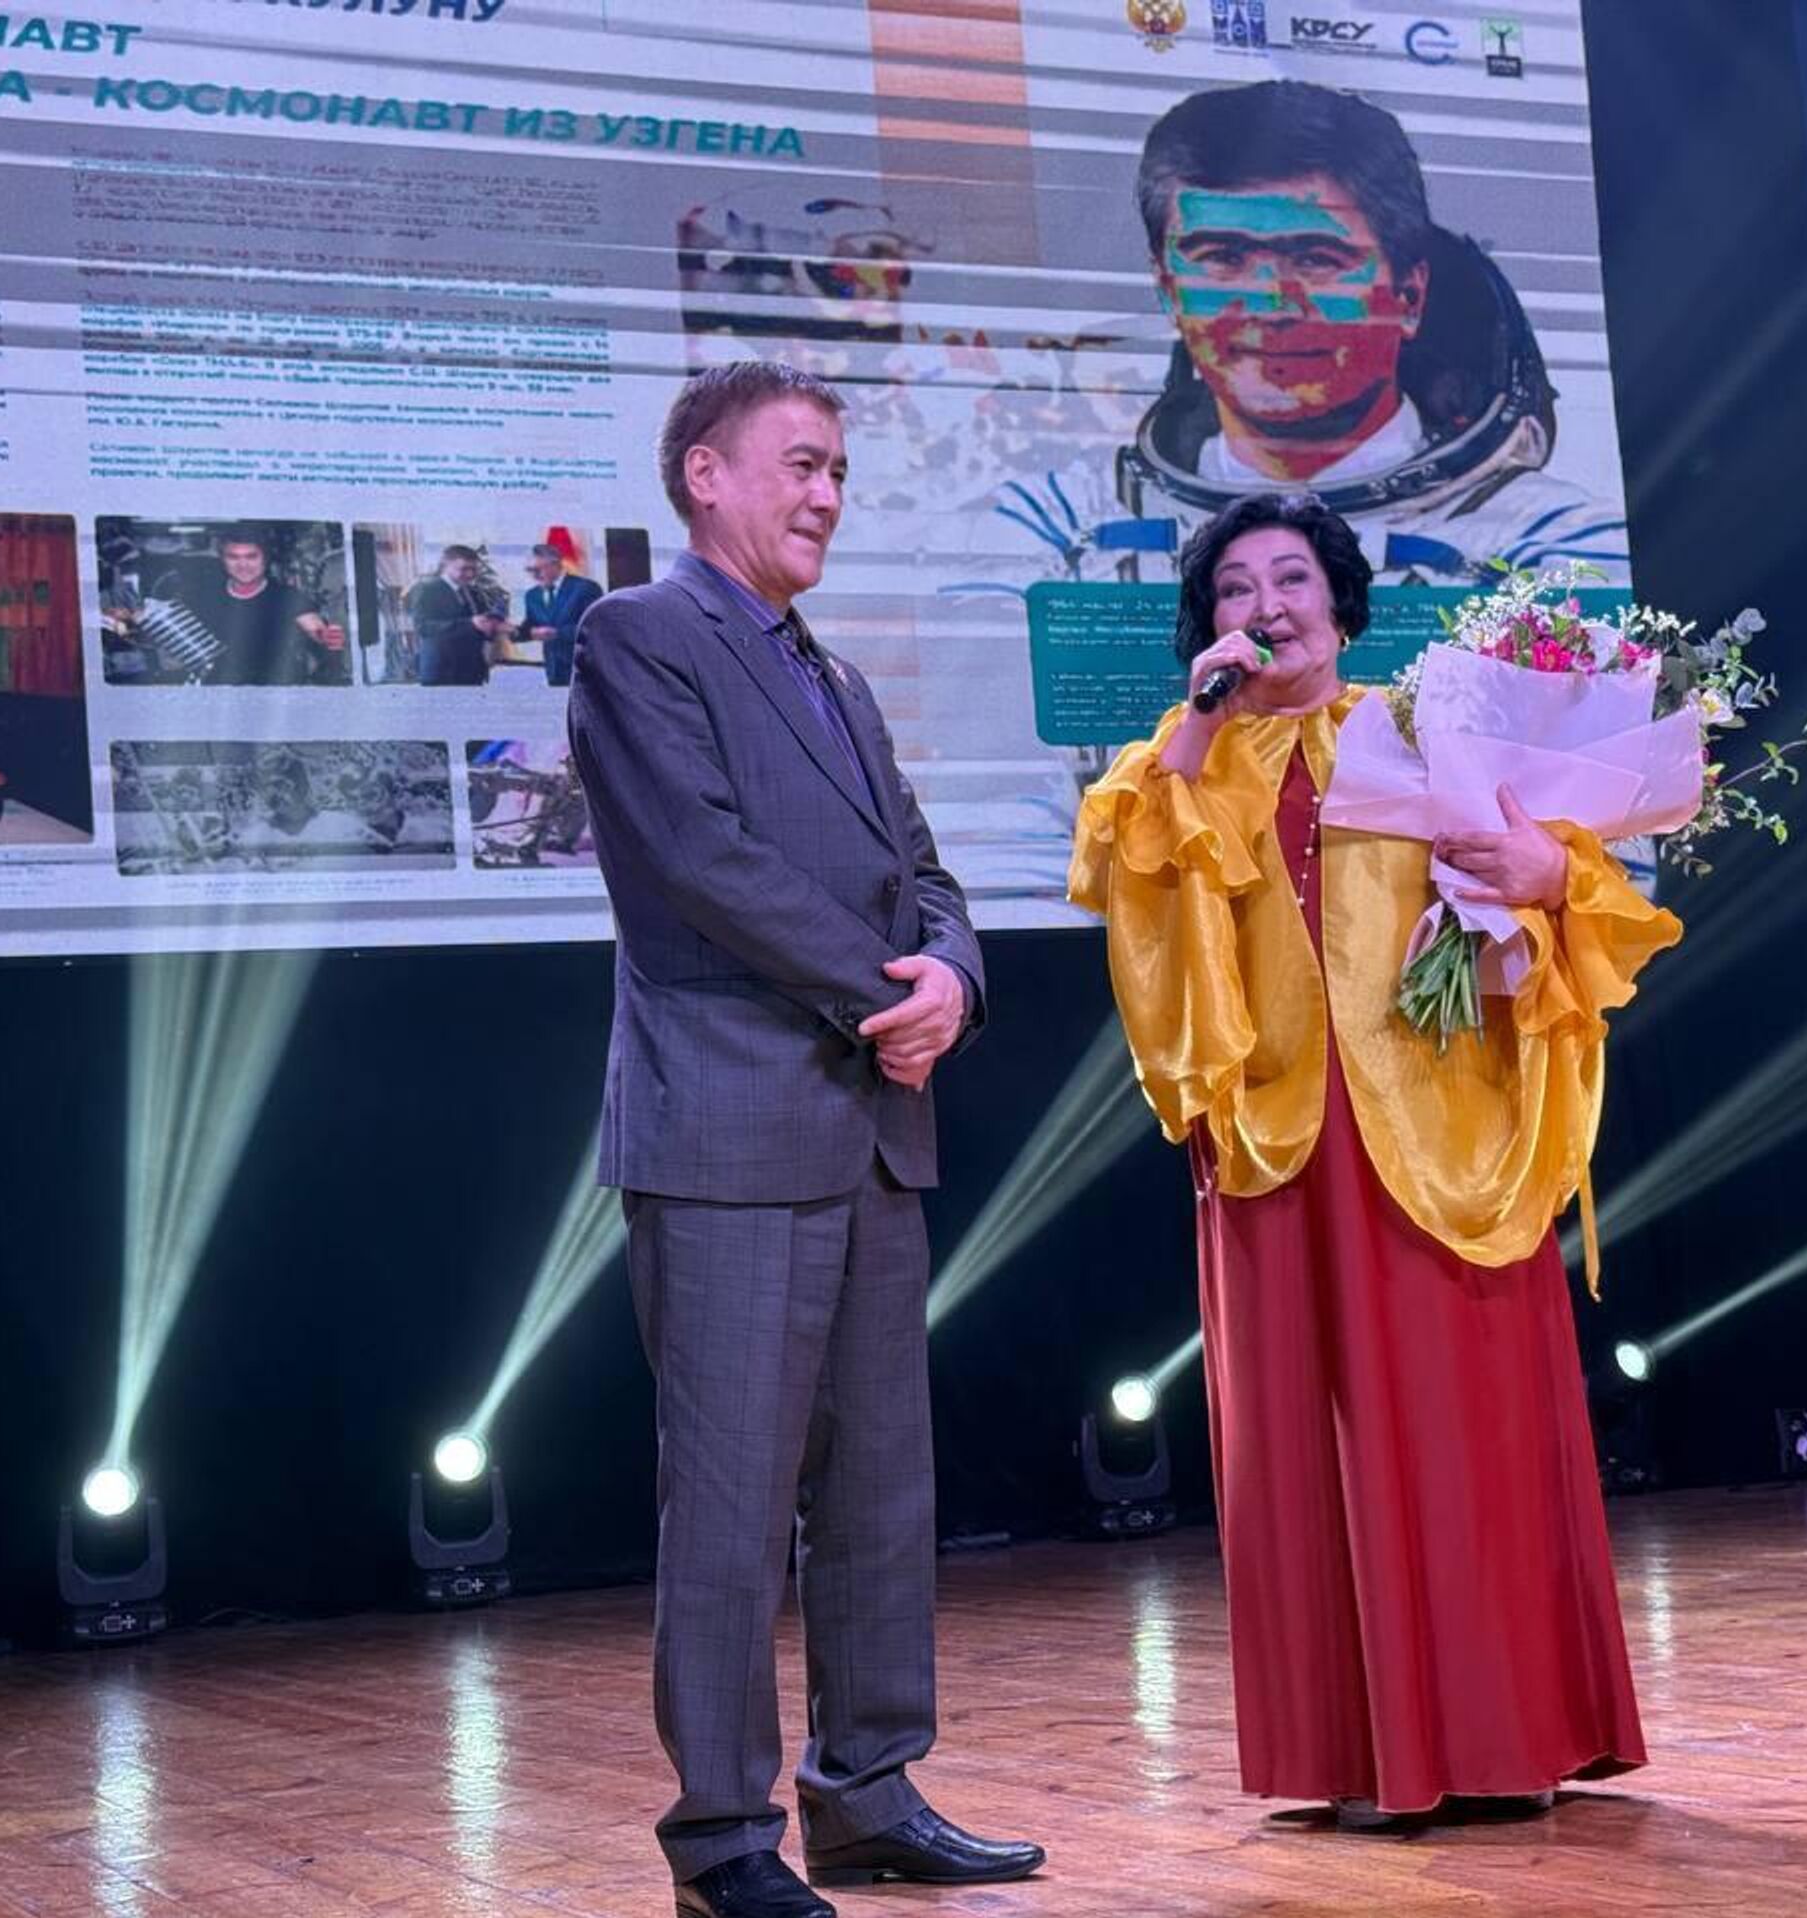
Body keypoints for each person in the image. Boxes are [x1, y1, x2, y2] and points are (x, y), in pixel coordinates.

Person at [1070, 492, 1679, 1828]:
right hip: (1279, 1138)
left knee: (1467, 1429)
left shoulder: (1418, 727)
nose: (1267, 605)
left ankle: (1507, 1736)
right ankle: (1358, 1753)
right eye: (1236, 587)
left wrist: (1542, 870)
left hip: (1441, 1131)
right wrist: (1198, 723)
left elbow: (1575, 881)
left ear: (1343, 605)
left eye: (1292, 578)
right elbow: (1128, 883)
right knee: (1310, 1440)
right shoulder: (1179, 762)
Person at [567, 361, 1043, 1918]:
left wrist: (954, 980)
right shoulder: (640, 634)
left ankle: (869, 1792)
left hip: (870, 1129)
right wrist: (884, 995)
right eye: (800, 462)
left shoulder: (835, 678)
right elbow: (700, 862)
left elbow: (926, 872)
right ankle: (722, 1838)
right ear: (704, 473)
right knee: (726, 1508)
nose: (828, 493)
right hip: (727, 1129)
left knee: (880, 1494)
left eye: (839, 468)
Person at [1002, 79, 1629, 585]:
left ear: (1409, 294)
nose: (1272, 304)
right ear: (1168, 289)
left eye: (1316, 258)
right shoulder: (1060, 528)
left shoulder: (1557, 541)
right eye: (1223, 256)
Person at [113, 526, 348, 685]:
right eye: (233, 557)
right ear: (222, 559)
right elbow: (165, 636)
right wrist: (127, 623)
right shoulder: (202, 595)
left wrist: (326, 636)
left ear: (265, 558)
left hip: (272, 693)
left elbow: (314, 627)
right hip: (216, 692)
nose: (242, 565)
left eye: (251, 556)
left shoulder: (286, 597)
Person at [406, 545, 507, 686]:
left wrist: (491, 627)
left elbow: (478, 625)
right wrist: (470, 623)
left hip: (472, 672)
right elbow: (423, 628)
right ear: (445, 565)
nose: (470, 574)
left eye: (474, 569)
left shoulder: (473, 593)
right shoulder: (426, 588)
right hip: (442, 671)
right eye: (464, 569)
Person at [517, 543, 603, 687]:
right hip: (553, 671)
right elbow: (529, 626)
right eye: (529, 570)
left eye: (538, 569)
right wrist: (511, 630)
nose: (534, 576)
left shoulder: (585, 588)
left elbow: (596, 628)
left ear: (556, 564)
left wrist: (558, 633)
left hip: (584, 669)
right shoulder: (532, 596)